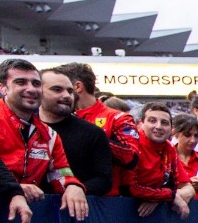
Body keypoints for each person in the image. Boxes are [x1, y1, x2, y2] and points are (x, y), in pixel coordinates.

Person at [0, 59, 88, 223]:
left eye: (36, 83)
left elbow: (61, 175)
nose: (31, 89)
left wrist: (73, 186)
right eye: (20, 82)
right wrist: (13, 189)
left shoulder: (49, 135)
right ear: (2, 88)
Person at [58, 62, 142, 195]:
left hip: (104, 201)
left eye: (63, 88)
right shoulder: (59, 117)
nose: (61, 94)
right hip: (63, 195)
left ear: (77, 86)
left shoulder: (118, 118)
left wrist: (93, 137)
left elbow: (131, 157)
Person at [40, 68, 113, 198]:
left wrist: (78, 188)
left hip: (77, 211)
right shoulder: (24, 128)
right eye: (57, 89)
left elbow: (104, 180)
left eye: (70, 91)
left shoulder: (93, 133)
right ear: (38, 91)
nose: (67, 96)